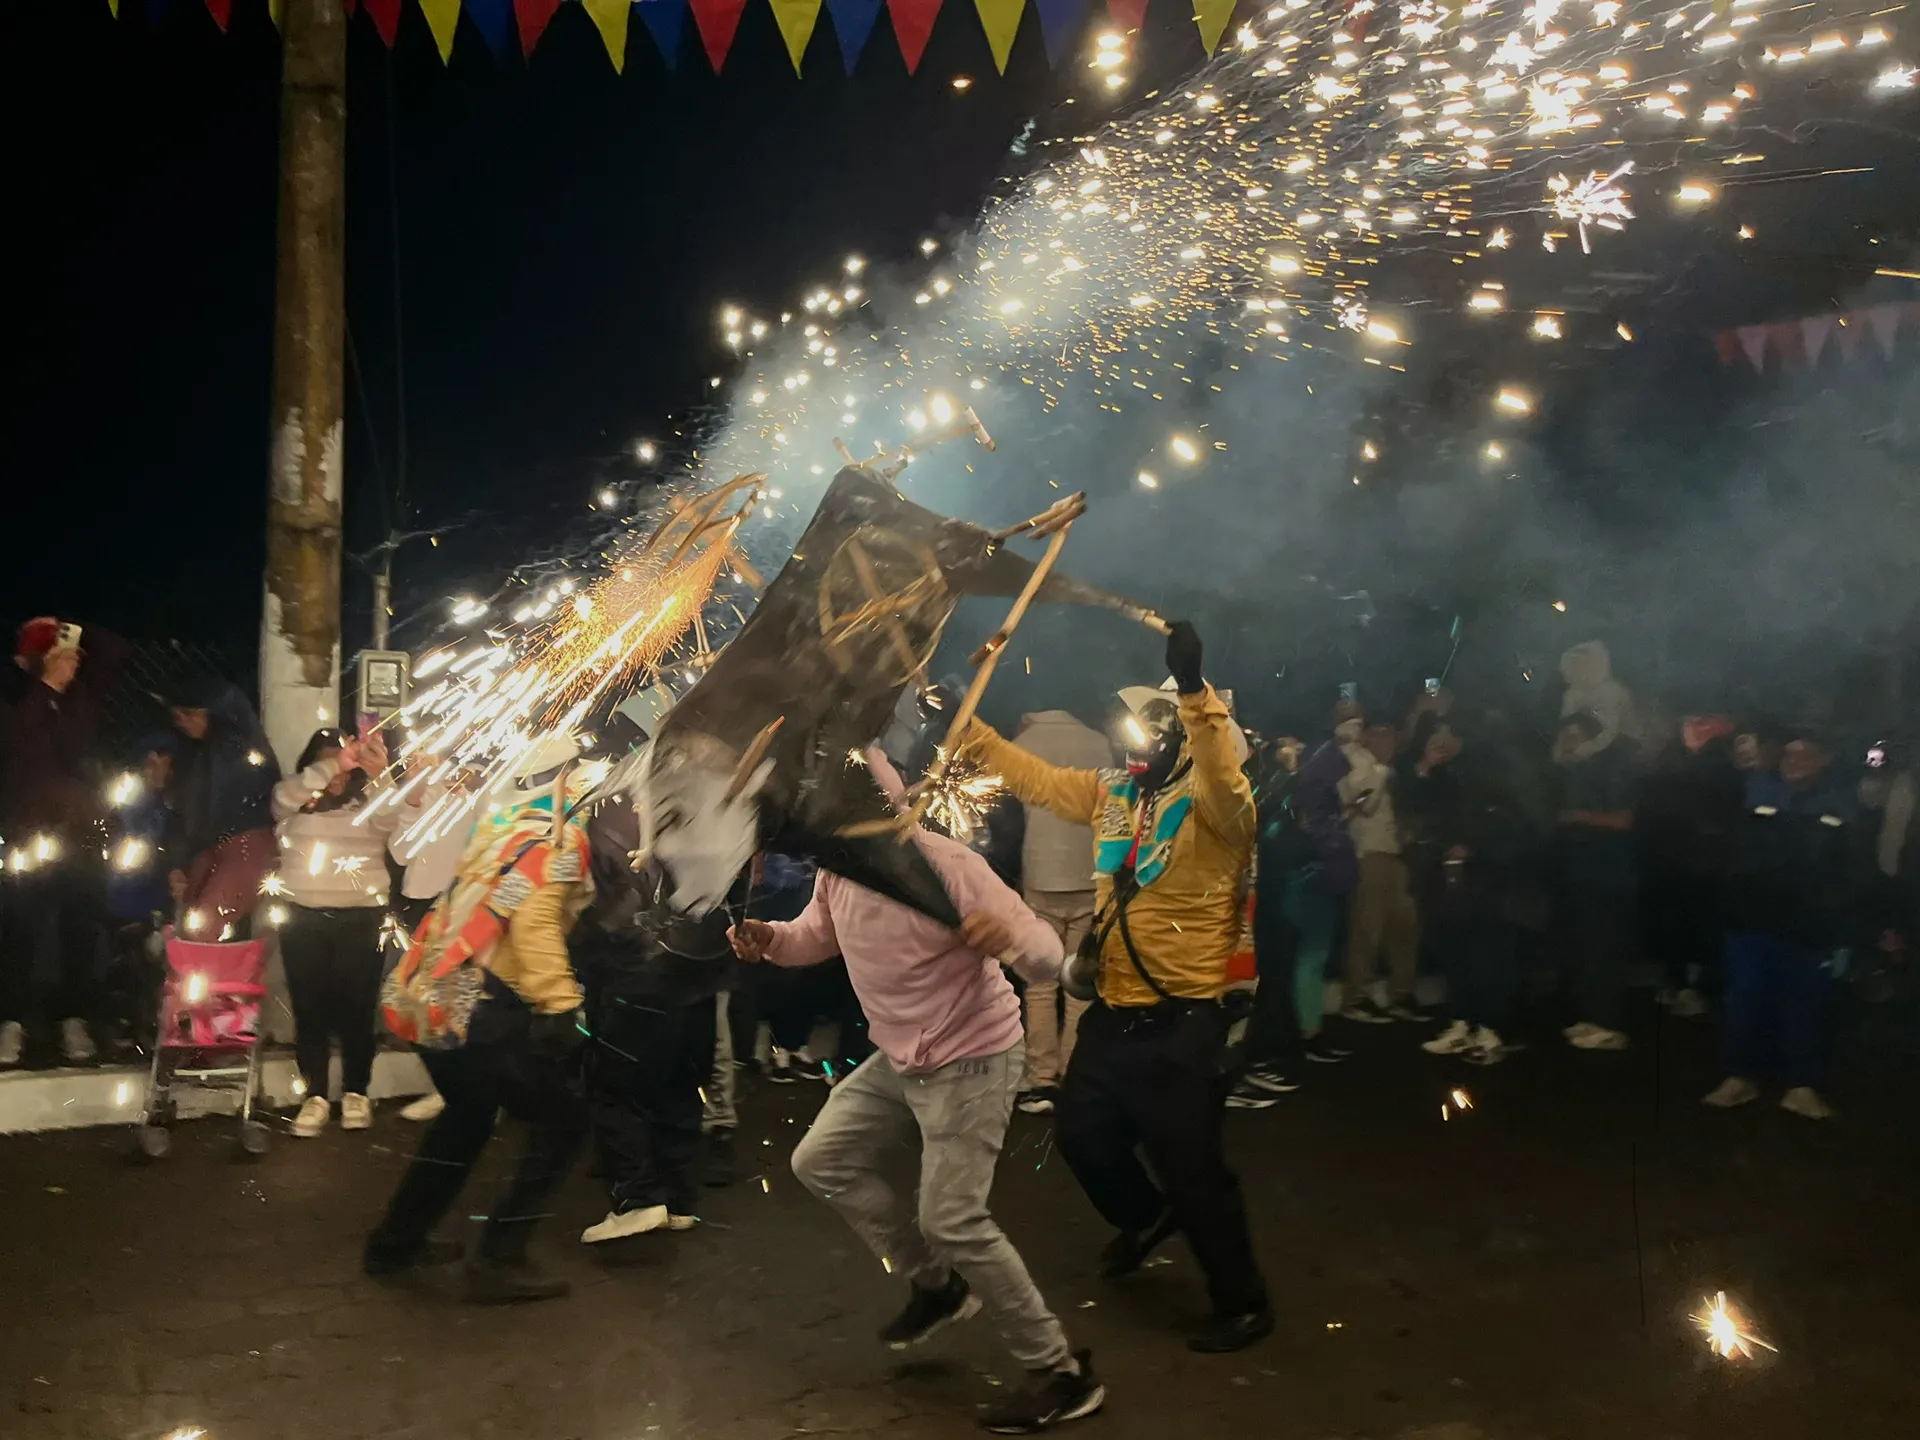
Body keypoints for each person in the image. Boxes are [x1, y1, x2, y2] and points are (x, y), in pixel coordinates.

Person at [730, 749, 1103, 1434]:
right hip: (900, 1055)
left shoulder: (947, 865)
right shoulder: (839, 869)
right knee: (820, 1161)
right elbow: (816, 936)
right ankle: (938, 1285)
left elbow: (1047, 955)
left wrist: (1006, 938)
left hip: (973, 1057)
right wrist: (771, 939)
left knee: (952, 1219)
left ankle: (1061, 1372)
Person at [961, 622, 1273, 1355]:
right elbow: (1032, 776)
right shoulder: (1115, 792)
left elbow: (1224, 775)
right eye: (1133, 730)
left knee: (1193, 1170)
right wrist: (964, 719)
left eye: (1153, 732)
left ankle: (1243, 1302)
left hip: (1187, 1020)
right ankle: (1146, 1216)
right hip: (1116, 1010)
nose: (1133, 743)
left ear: (1181, 740)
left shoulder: (1221, 807)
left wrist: (1193, 689)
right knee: (1080, 1135)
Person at [364, 734, 594, 1302]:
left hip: (434, 994)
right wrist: (562, 1004)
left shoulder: (502, 827)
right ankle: (499, 1257)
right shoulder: (559, 837)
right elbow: (535, 924)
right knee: (564, 1121)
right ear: (565, 779)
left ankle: (394, 1245)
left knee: (466, 1118)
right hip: (481, 1011)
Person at [575, 761, 742, 1243]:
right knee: (678, 1089)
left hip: (636, 975)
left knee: (614, 1089)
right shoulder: (709, 808)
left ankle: (637, 1199)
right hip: (697, 977)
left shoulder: (610, 812)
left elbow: (605, 901)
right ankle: (679, 1199)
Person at [1704, 730, 1859, 1120]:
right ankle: (1740, 1076)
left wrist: (1838, 922)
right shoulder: (1754, 790)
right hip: (1751, 920)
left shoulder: (1841, 803)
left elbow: (1850, 869)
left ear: (1825, 759)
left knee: (1805, 1003)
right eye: (1790, 753)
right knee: (1745, 997)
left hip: (1807, 925)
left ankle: (1801, 1085)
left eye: (1806, 753)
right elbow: (1728, 851)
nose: (1795, 760)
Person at [1, 617, 131, 1067]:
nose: (69, 664)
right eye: (57, 656)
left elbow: (117, 652)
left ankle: (74, 1019)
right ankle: (12, 1022)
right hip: (27, 836)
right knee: (21, 932)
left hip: (82, 833)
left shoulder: (82, 698)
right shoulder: (16, 700)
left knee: (80, 929)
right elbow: (26, 752)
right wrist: (47, 688)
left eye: (72, 656)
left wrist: (75, 631)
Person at [271, 726, 400, 1136]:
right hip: (302, 917)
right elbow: (282, 798)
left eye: (347, 766)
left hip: (361, 917)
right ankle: (315, 1095)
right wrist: (332, 765)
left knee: (357, 1008)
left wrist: (379, 776)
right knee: (309, 1008)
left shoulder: (368, 802)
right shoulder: (293, 802)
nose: (339, 774)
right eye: (327, 764)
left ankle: (356, 1091)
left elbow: (392, 820)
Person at [1406, 713, 1549, 1064]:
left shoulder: (1497, 770)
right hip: (1453, 881)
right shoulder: (1447, 774)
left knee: (1489, 956)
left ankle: (1490, 1029)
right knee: (1455, 951)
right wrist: (1424, 769)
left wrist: (1472, 845)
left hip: (1494, 883)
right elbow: (1417, 807)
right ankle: (1461, 1022)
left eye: (1446, 734)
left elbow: (1520, 822)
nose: (1439, 741)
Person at [1006, 708, 1111, 1115]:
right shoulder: (1099, 742)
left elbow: (1008, 816)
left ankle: (1042, 1078)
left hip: (1040, 876)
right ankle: (1074, 1070)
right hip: (1090, 872)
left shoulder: (1021, 745)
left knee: (1039, 983)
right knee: (1080, 982)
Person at [162, 678, 278, 940]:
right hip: (210, 848)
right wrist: (178, 865)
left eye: (191, 713)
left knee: (202, 929)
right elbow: (187, 816)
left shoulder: (237, 748)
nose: (184, 722)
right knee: (189, 925)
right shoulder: (197, 758)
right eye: (178, 716)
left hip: (246, 845)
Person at [1282, 701, 1363, 1066]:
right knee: (1312, 957)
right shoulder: (1326, 762)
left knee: (1304, 957)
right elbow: (1348, 804)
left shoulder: (1296, 769)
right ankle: (1308, 1032)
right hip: (1318, 871)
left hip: (1301, 871)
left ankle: (1304, 1028)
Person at [1552, 711, 1639, 1051]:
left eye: (1572, 736)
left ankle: (1607, 1021)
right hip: (1582, 872)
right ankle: (1590, 1017)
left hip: (1607, 873)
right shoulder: (1573, 771)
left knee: (1604, 948)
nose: (1566, 743)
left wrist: (1579, 816)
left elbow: (1625, 819)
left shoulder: (1613, 767)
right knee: (1585, 947)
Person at [1231, 734, 1309, 1106]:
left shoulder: (1246, 782)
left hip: (1258, 897)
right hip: (1229, 902)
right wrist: (1287, 777)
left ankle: (1249, 1060)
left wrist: (1287, 777)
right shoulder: (1215, 785)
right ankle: (1229, 1073)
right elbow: (1253, 814)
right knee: (1234, 985)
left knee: (1256, 980)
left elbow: (1263, 816)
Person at [1337, 721, 1422, 1024]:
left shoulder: (1390, 769)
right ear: (1368, 737)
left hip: (1394, 852)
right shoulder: (1355, 763)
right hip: (1367, 854)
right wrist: (1381, 775)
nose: (1388, 743)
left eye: (1391, 737)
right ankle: (1356, 997)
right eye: (1381, 736)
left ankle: (1402, 993)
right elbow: (1359, 803)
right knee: (1366, 927)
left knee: (1405, 924)